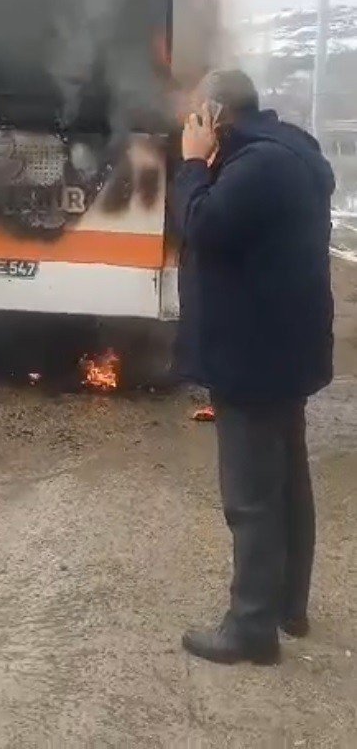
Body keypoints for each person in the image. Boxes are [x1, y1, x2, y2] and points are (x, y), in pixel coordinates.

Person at [173, 69, 335, 665]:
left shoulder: (255, 167)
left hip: (253, 355)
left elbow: (201, 227)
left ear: (215, 113)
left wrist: (192, 164)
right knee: (287, 483)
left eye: (195, 115)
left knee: (251, 496)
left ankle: (250, 628)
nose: (189, 125)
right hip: (281, 348)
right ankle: (287, 606)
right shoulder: (289, 152)